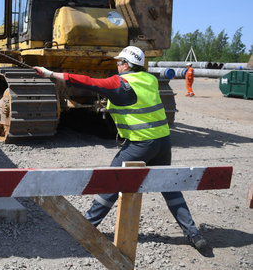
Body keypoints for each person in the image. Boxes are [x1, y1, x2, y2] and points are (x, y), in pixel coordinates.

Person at [34, 45, 208, 251]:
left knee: (111, 181)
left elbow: (88, 82)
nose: (117, 65)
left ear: (126, 64)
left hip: (141, 144)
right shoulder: (150, 79)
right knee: (170, 187)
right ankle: (193, 234)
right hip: (163, 142)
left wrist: (50, 73)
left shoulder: (121, 83)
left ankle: (86, 226)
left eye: (119, 62)